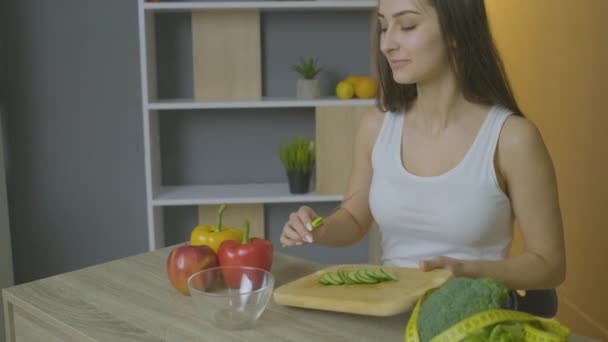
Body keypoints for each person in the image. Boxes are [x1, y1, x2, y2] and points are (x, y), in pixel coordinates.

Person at [280, 0, 566, 291]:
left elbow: (549, 265)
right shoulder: (376, 125)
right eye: (383, 27)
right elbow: (354, 217)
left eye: (407, 26)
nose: (387, 44)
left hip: (472, 319)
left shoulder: (512, 138)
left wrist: (468, 271)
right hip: (389, 316)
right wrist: (320, 229)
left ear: (456, 32)